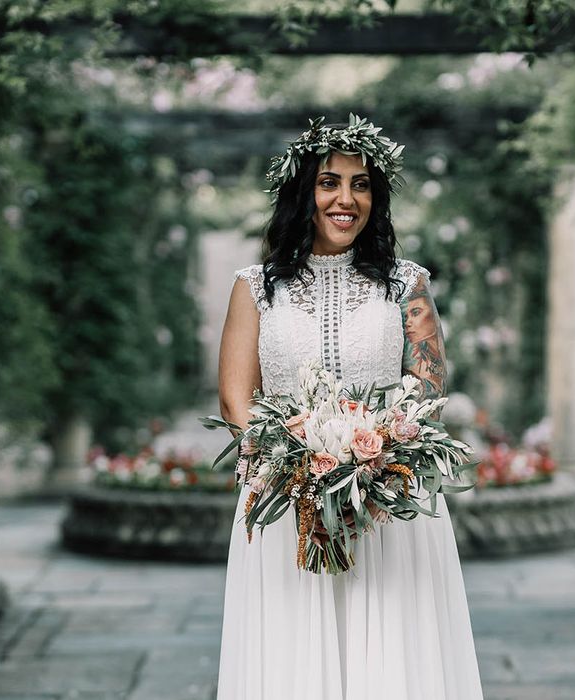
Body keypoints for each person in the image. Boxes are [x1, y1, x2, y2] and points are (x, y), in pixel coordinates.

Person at [215, 115, 484, 700]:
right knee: (291, 658)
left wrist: (378, 456)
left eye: (361, 184)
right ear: (302, 191)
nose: (345, 198)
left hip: (388, 499)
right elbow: (236, 396)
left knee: (392, 654)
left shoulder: (405, 283)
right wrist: (291, 463)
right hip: (285, 499)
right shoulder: (256, 286)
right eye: (329, 182)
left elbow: (428, 385)